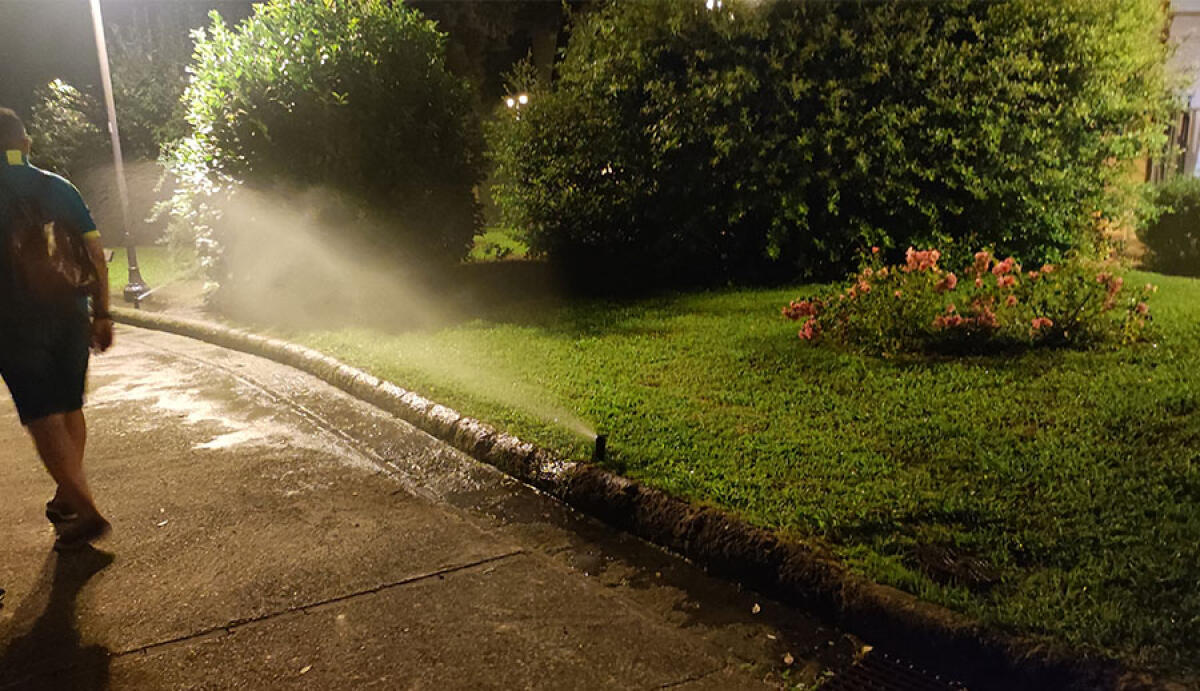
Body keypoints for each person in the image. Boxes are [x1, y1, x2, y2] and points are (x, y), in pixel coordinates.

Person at [0, 107, 113, 550]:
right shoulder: (59, 188)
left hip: (13, 320)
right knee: (69, 405)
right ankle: (69, 497)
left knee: (42, 415)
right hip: (70, 313)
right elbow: (95, 253)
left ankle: (85, 510)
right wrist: (102, 313)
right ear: (26, 143)